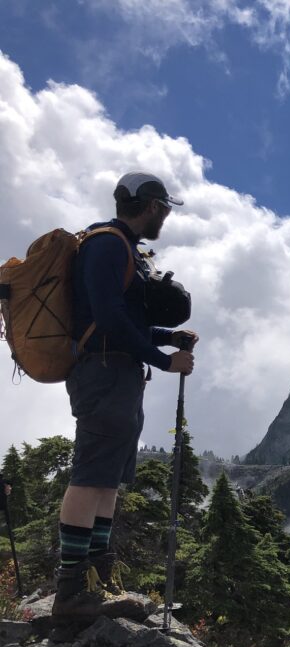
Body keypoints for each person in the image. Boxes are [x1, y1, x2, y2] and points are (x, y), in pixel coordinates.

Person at [53, 171, 198, 620]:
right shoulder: (106, 246)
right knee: (90, 474)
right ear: (152, 205)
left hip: (117, 372)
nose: (166, 217)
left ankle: (98, 579)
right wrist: (163, 359)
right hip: (103, 372)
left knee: (108, 479)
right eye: (166, 208)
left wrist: (167, 335)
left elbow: (123, 322)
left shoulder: (123, 249)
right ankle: (71, 589)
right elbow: (110, 321)